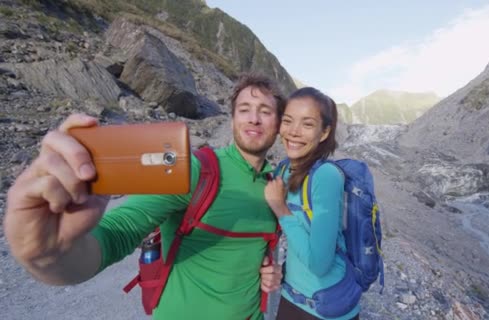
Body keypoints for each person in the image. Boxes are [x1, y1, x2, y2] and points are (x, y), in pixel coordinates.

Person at [4, 74, 286, 319]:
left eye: (265, 111)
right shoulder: (198, 171)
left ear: (279, 123)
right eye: (244, 109)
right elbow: (119, 231)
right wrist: (45, 254)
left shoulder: (276, 184)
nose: (253, 118)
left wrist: (267, 272)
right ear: (233, 118)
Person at [264, 87, 361, 320]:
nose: (294, 132)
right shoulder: (284, 169)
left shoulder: (326, 176)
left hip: (327, 307)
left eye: (307, 124)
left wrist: (281, 209)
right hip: (291, 295)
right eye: (288, 121)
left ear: (324, 132)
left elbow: (319, 264)